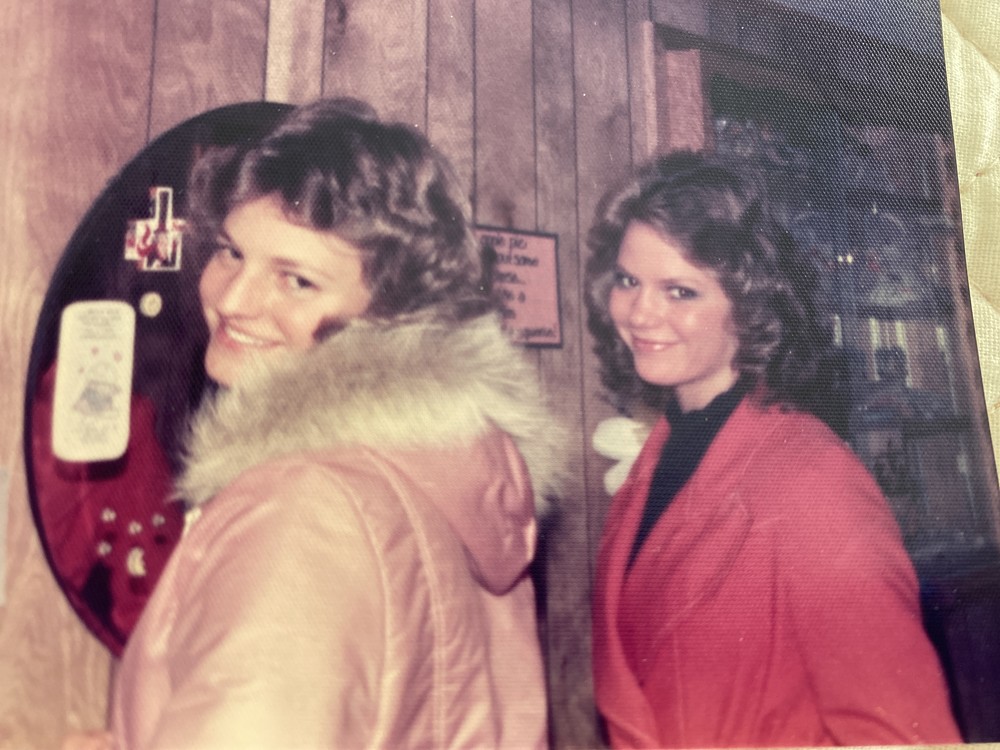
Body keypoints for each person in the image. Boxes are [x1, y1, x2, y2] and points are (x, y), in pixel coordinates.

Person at [66, 98, 565, 749]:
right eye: (231, 252)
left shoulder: (303, 503)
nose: (232, 299)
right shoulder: (440, 469)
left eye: (296, 281)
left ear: (390, 312)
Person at [586, 151, 962, 747]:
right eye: (629, 281)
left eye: (680, 291)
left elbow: (903, 736)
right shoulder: (661, 455)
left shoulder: (813, 482)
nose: (639, 312)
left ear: (750, 307)